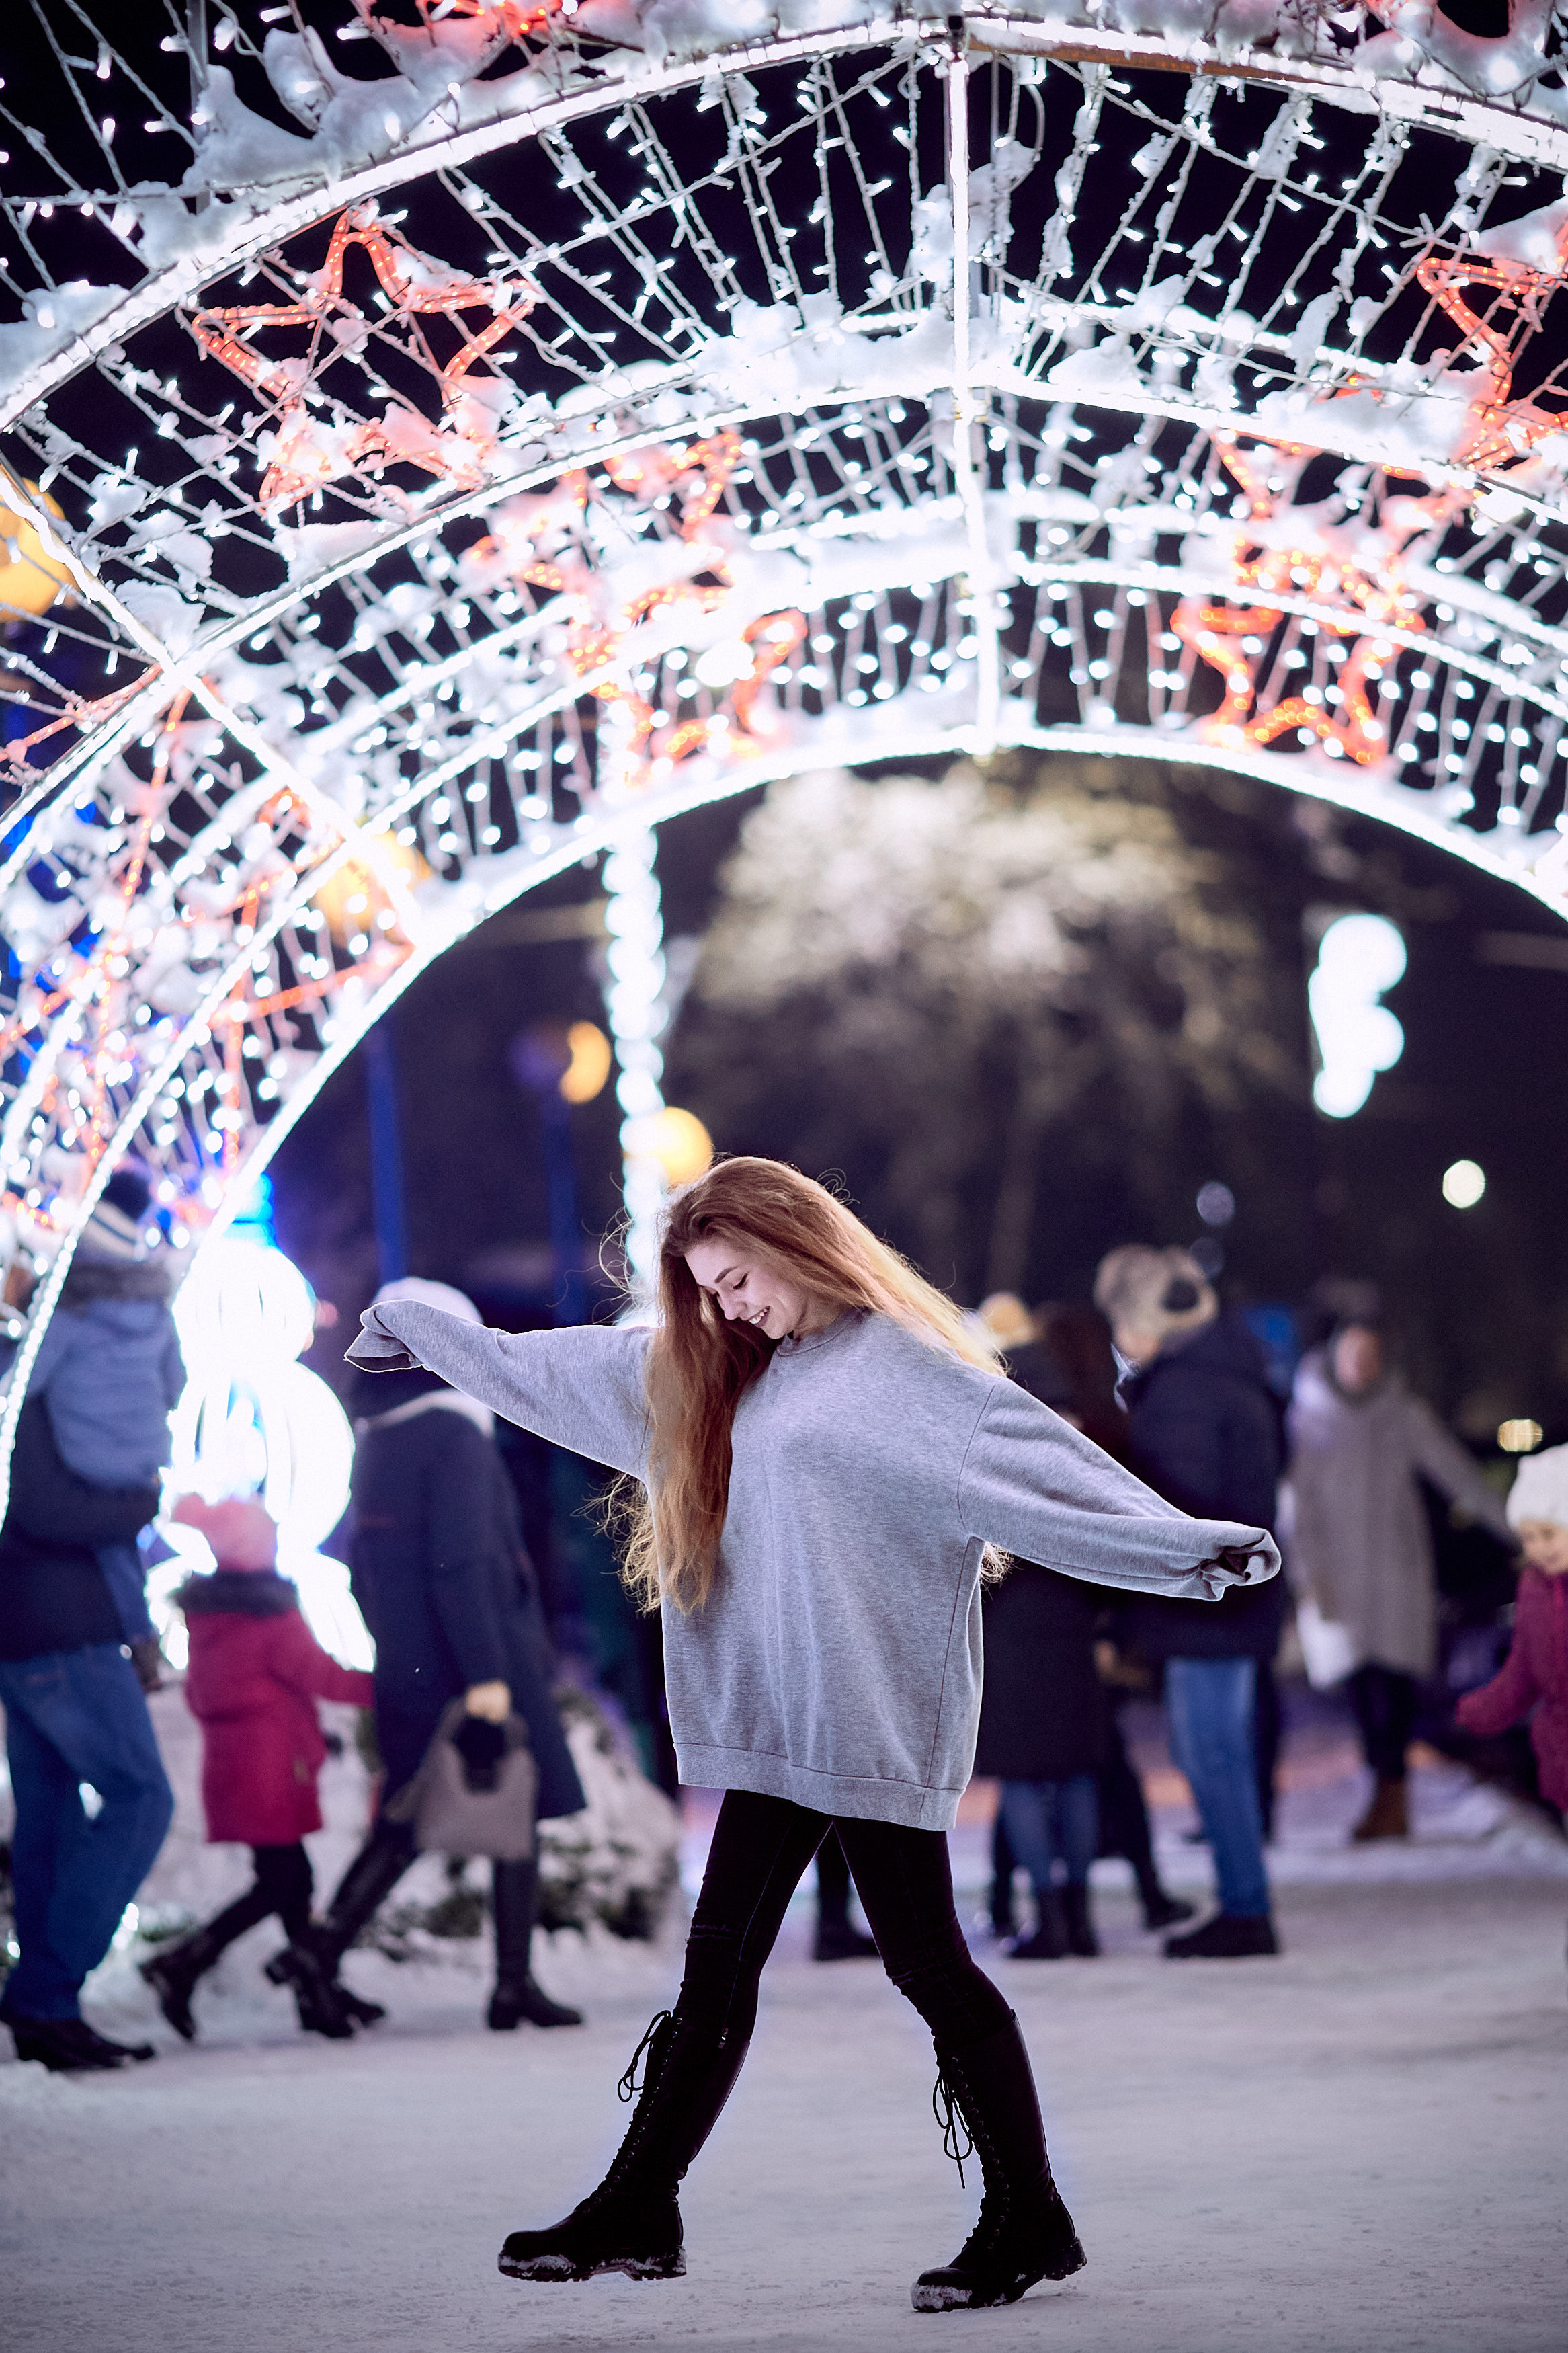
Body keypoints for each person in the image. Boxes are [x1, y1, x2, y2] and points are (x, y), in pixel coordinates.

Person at [347, 1159, 1279, 2309]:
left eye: (738, 1279)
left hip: (870, 1718)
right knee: (719, 1964)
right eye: (708, 1291)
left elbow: (1049, 1469)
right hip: (777, 1721)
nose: (729, 1307)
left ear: (794, 1243)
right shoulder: (732, 1371)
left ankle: (1026, 2214)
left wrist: (1181, 1547)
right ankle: (638, 2203)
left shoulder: (909, 1372)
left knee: (926, 1963)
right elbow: (565, 1368)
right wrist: (428, 1331)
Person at [288, 1279, 587, 2034]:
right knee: (509, 1804)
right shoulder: (454, 1434)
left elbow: (363, 1565)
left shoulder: (378, 1437)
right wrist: (487, 1676)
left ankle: (323, 1953)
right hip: (478, 1658)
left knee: (411, 1816)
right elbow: (466, 1564)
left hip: (411, 1663)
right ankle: (504, 1983)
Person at [1094, 1245, 1285, 1960]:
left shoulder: (1182, 1391)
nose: (1117, 1338)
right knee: (1213, 1750)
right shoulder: (1231, 1374)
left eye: (1120, 1321)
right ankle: (1244, 1900)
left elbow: (1180, 1509)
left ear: (1146, 1321)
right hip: (1233, 1598)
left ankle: (1245, 1908)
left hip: (1208, 1604)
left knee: (1210, 1753)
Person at [138, 1495, 375, 2042]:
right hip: (272, 1767)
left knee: (287, 1880)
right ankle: (183, 1963)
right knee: (282, 1881)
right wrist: (391, 1689)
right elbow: (321, 1675)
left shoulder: (208, 1616)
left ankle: (317, 1992)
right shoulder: (269, 1614)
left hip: (236, 1764)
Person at [1284, 1320, 1514, 1841]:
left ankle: (1391, 1796)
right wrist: (1305, 1574)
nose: (1362, 1365)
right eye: (1353, 1353)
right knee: (1360, 1688)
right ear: (1335, 1358)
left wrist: (1515, 1525)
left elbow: (1455, 1474)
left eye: (1371, 1354)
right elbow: (1295, 1506)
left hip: (1394, 1577)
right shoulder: (1309, 1420)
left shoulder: (1402, 1414)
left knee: (1396, 1686)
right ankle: (1383, 1791)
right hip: (1337, 1579)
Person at [0, 1395, 171, 2071]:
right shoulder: (48, 1393)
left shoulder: (37, 1387)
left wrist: (139, 1630)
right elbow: (45, 1510)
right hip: (65, 1631)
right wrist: (141, 1501)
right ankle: (43, 1992)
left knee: (50, 1815)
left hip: (30, 1629)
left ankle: (50, 2013)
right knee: (142, 1798)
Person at [22, 1170, 185, 1689]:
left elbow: (27, 1378)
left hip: (87, 1454)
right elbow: (177, 1383)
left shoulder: (68, 1311)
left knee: (108, 1548)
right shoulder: (155, 1310)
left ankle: (138, 1640)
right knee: (124, 1547)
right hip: (146, 1453)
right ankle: (140, 1637)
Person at [1454, 1443, 1568, 1824]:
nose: (1539, 1548)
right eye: (1528, 1538)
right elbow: (1524, 1668)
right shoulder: (1534, 1589)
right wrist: (1485, 1710)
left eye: (1549, 1534)